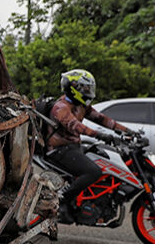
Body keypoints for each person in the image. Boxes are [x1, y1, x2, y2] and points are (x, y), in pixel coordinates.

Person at [46, 69, 132, 222]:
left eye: (89, 88)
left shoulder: (82, 105)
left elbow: (103, 119)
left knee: (105, 159)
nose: (88, 92)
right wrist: (100, 135)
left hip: (74, 147)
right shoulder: (61, 107)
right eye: (85, 88)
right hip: (59, 150)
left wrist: (128, 131)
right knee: (93, 172)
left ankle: (89, 201)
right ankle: (62, 201)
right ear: (73, 88)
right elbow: (76, 126)